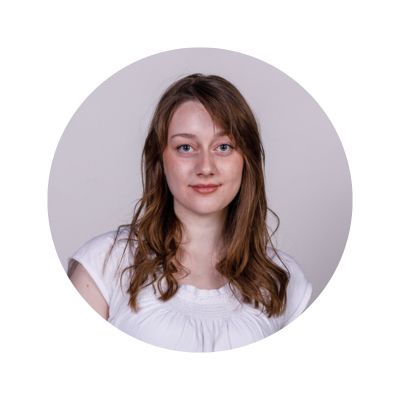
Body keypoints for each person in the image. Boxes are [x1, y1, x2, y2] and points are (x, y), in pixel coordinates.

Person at [67, 73, 312, 352]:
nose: (205, 166)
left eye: (223, 147)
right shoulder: (104, 264)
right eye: (185, 147)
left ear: (247, 160)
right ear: (160, 160)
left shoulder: (284, 280)